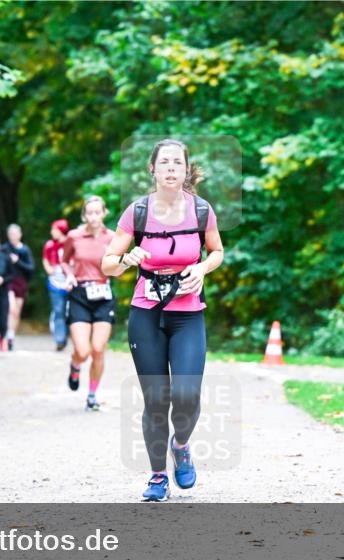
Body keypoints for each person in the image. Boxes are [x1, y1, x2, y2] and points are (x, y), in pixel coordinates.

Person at [101, 139, 224, 502]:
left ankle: (180, 444)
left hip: (188, 314)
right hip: (146, 313)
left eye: (178, 163)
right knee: (156, 399)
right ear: (152, 169)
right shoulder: (137, 212)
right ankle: (157, 477)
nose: (171, 168)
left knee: (186, 395)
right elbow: (108, 263)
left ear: (186, 170)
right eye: (165, 162)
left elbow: (217, 251)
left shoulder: (201, 210)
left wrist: (201, 268)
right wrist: (127, 259)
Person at [62, 196, 115, 412]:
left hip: (103, 294)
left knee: (98, 349)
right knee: (83, 351)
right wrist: (69, 275)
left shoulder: (113, 237)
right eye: (89, 213)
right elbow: (64, 261)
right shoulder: (74, 236)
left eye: (97, 212)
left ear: (104, 213)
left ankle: (92, 395)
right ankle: (75, 364)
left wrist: (118, 267)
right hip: (80, 294)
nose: (93, 216)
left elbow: (118, 264)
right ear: (84, 215)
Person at [2, 224, 35, 351]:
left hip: (21, 283)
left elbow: (31, 268)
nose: (13, 236)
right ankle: (5, 334)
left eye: (15, 234)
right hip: (8, 282)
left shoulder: (25, 250)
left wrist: (17, 261)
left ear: (20, 235)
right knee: (11, 309)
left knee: (17, 312)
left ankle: (11, 336)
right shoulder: (4, 249)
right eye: (11, 234)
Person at [43, 219, 70, 351]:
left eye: (54, 229)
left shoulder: (70, 243)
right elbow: (45, 259)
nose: (51, 232)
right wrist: (48, 268)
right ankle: (60, 339)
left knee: (70, 312)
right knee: (58, 311)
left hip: (70, 282)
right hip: (55, 283)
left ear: (61, 230)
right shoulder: (49, 245)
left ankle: (68, 335)